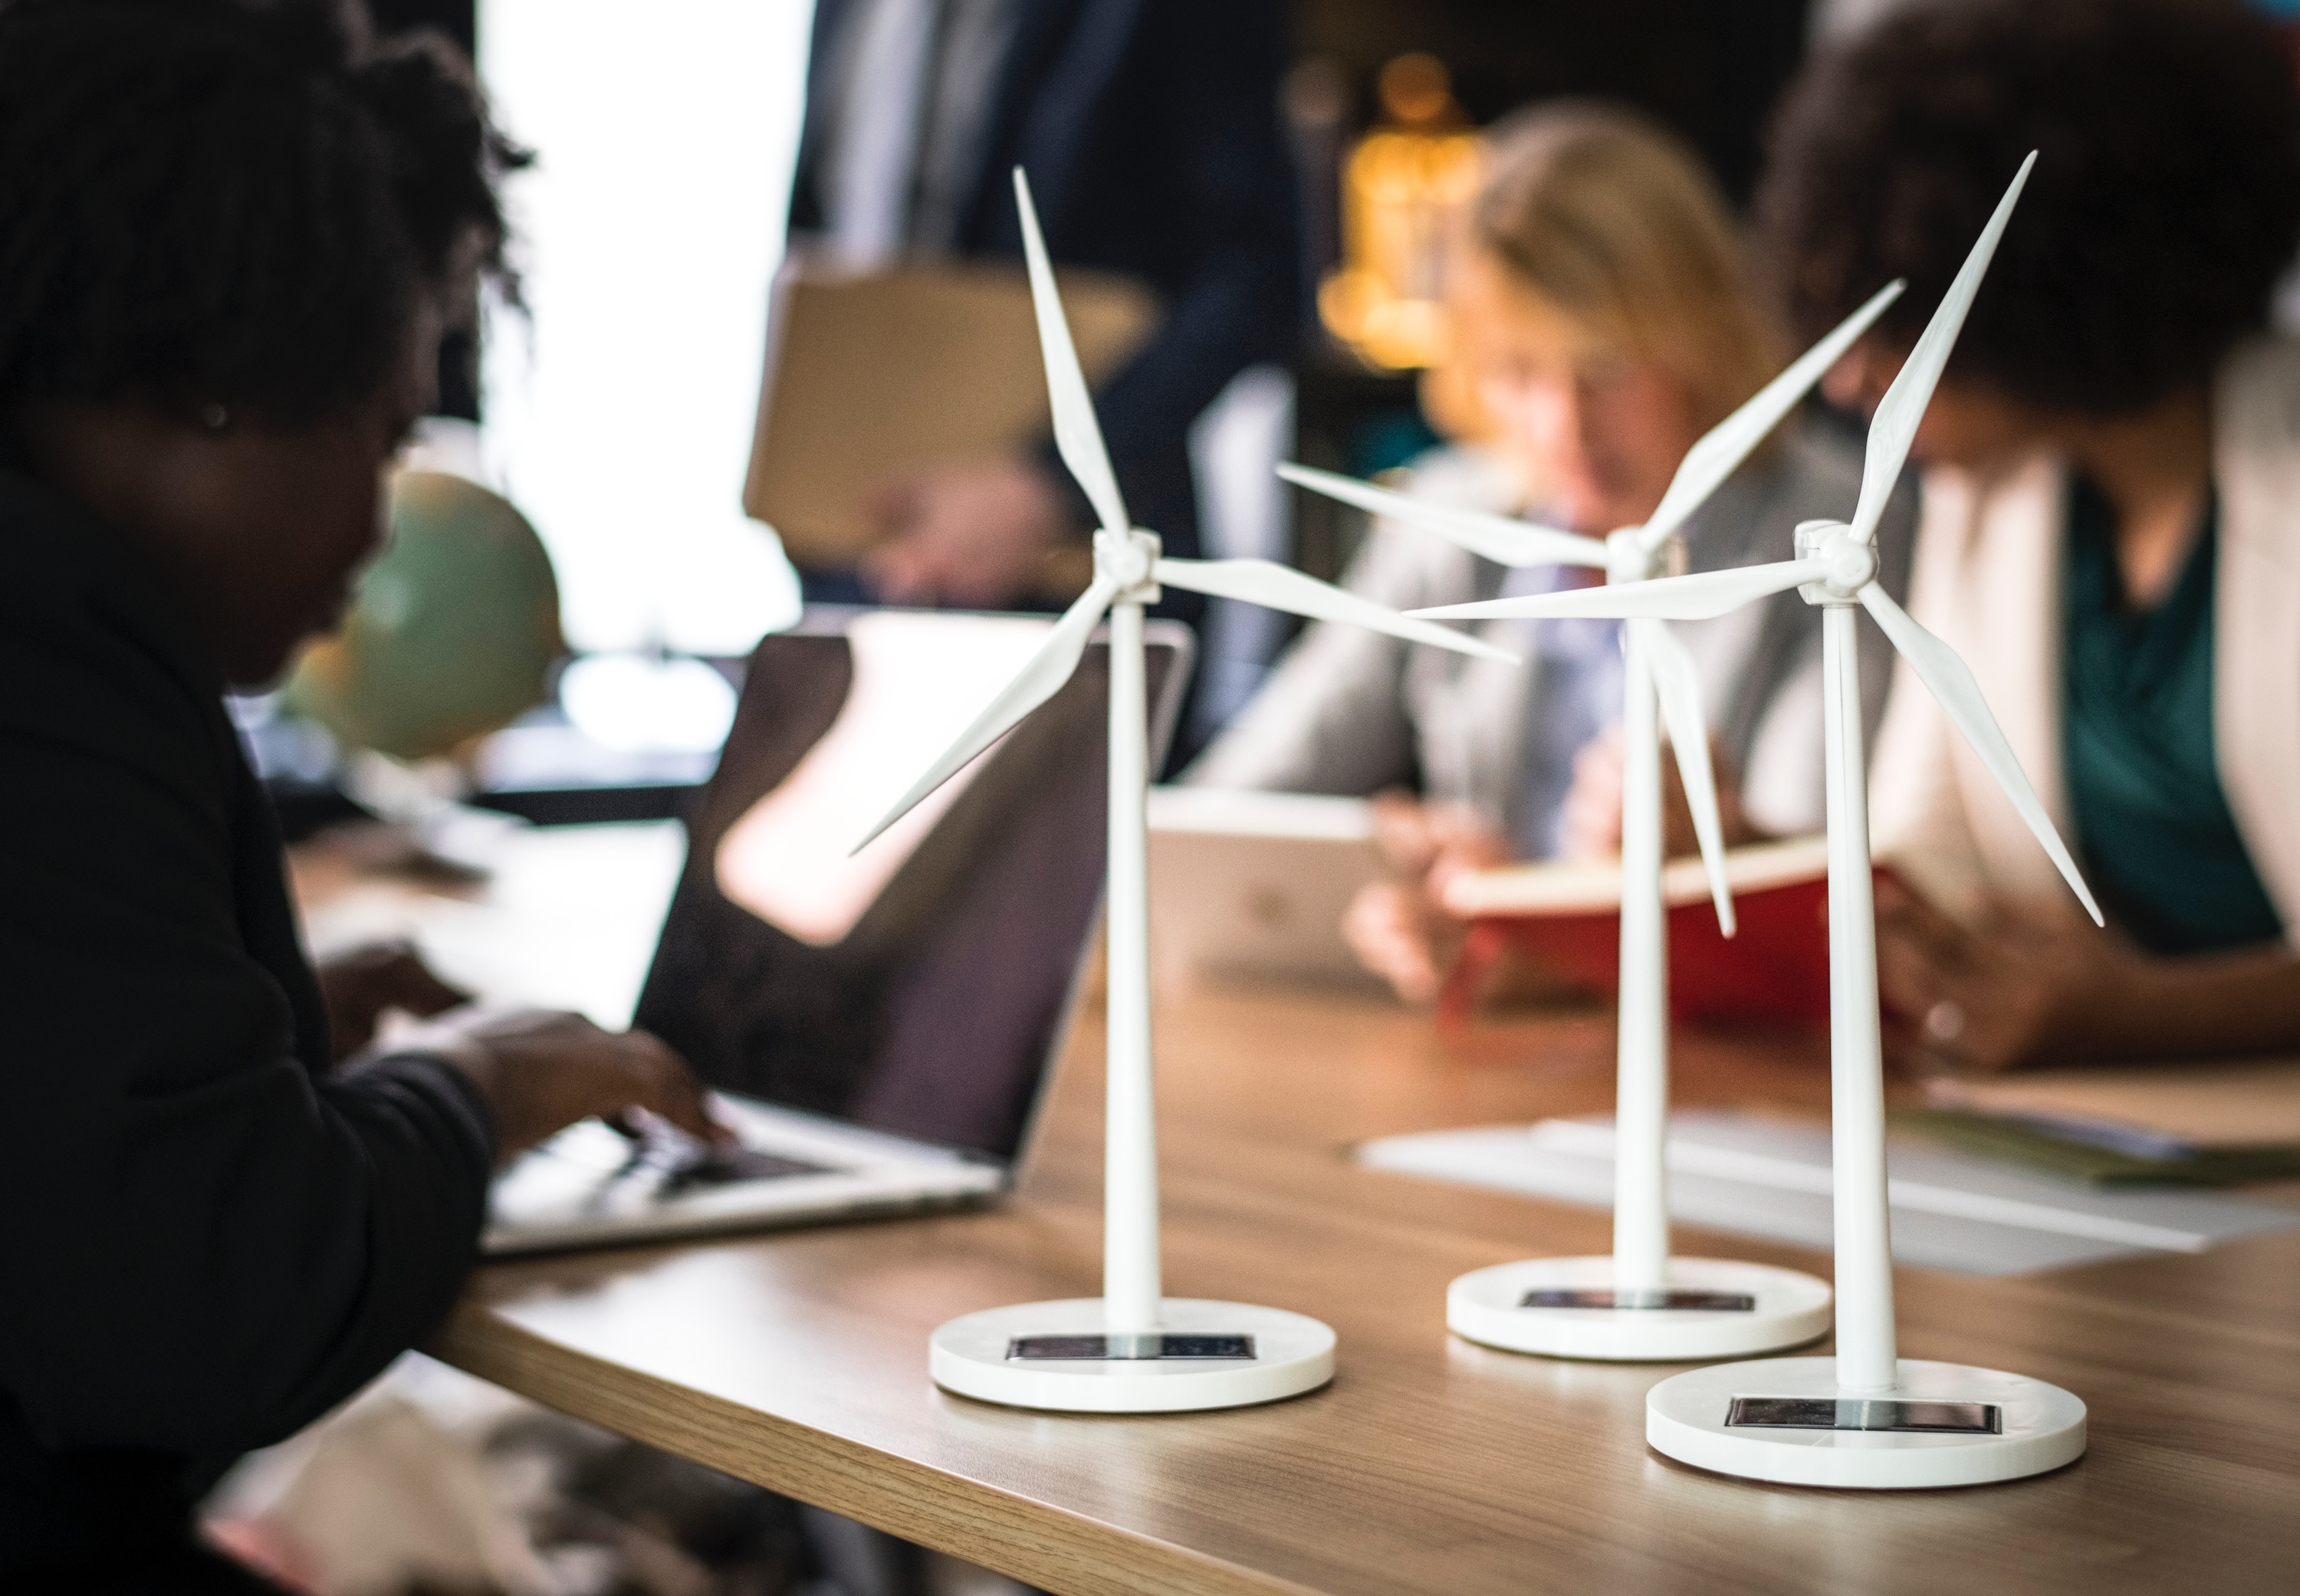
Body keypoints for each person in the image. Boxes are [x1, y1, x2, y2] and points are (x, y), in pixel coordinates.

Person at [0, 3, 721, 1588]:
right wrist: (477, 1085)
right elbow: (206, 1305)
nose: (375, 536)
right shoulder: (50, 633)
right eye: (382, 441)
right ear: (217, 387)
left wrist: (248, 1055)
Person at [1187, 103, 1916, 1002]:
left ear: (1701, 338)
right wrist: (1380, 863)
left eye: (1604, 365)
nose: (1562, 425)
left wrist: (1719, 848)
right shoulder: (1448, 517)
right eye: (1520, 371)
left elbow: (1829, 895)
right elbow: (1225, 807)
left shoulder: (1838, 536)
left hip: (1735, 1061)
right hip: (1499, 1057)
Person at [1759, 0, 2300, 1072]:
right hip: (2129, 1138)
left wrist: (2149, 1015)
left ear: (2035, 272)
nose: (1850, 380)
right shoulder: (1986, 503)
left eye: (1892, 325)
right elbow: (1931, 863)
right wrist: (1731, 877)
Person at [783, 0, 1298, 610]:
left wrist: (1049, 483)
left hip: (1078, 573)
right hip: (851, 556)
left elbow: (1257, 270)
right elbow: (823, 226)